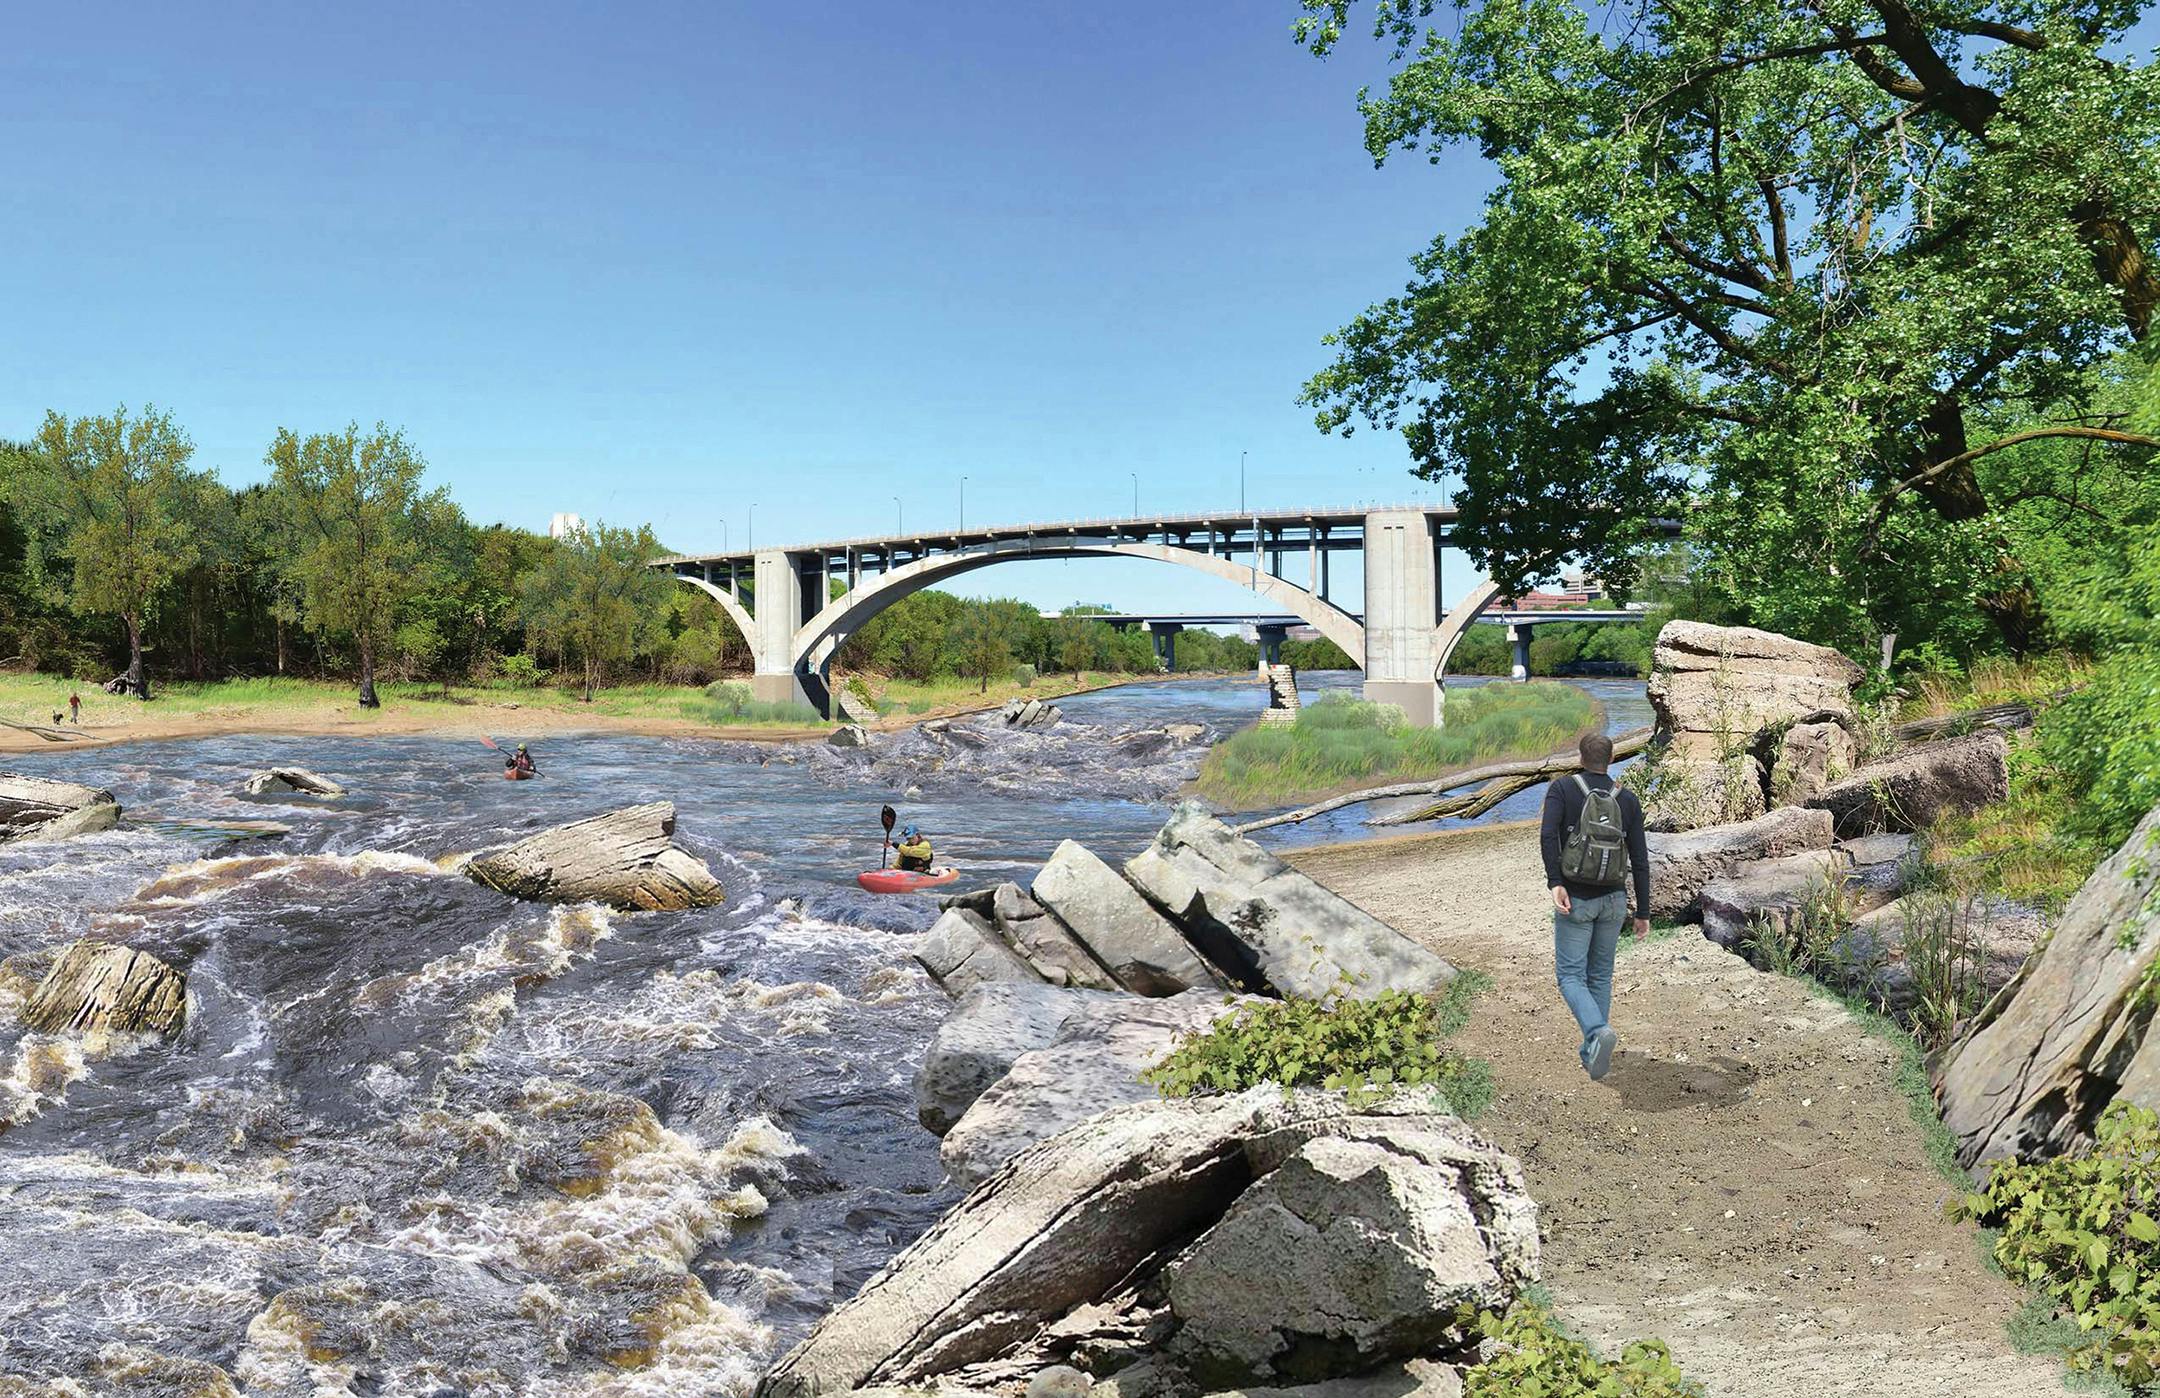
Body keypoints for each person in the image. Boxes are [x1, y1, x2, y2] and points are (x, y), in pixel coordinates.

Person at [1539, 731, 1651, 1082]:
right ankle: (1593, 1052)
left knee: (1570, 975)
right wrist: (1643, 912)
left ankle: (1597, 1032)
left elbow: (1547, 835)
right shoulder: (1627, 799)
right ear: (1612, 760)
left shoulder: (1562, 789)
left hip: (1577, 897)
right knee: (1600, 975)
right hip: (1614, 900)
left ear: (1580, 757)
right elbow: (1640, 859)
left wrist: (1555, 881)